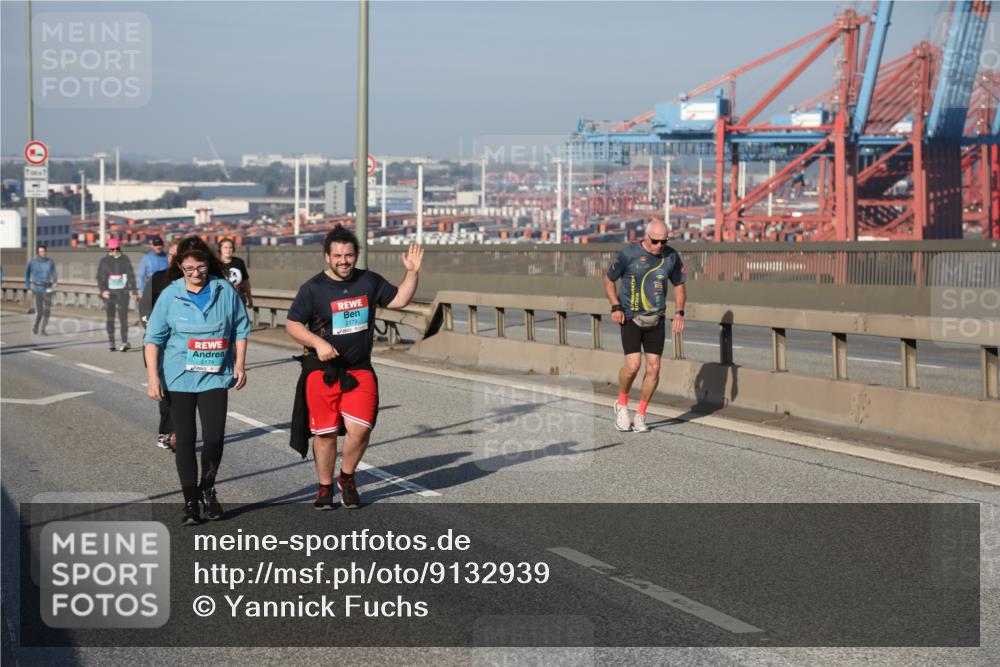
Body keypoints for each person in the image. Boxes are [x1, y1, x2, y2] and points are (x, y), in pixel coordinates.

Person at [285, 225, 422, 509]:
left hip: (359, 369)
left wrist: (412, 272)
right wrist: (317, 343)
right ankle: (324, 488)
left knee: (360, 429)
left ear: (356, 255)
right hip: (322, 372)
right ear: (327, 257)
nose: (343, 260)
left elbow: (399, 300)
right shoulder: (312, 288)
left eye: (348, 255)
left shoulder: (369, 281)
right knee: (326, 433)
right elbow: (293, 324)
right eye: (337, 255)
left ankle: (346, 477)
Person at [144, 236, 250, 525]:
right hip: (179, 377)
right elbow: (153, 338)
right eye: (189, 268)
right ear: (180, 267)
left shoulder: (223, 290)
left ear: (209, 264)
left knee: (214, 437)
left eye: (200, 267)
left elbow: (241, 328)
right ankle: (190, 501)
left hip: (215, 376)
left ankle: (208, 488)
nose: (195, 274)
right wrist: (153, 378)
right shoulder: (170, 294)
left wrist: (240, 364)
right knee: (186, 440)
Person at [603, 220, 686, 433]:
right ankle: (621, 405)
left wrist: (679, 312)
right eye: (656, 241)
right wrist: (615, 306)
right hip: (630, 317)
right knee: (633, 366)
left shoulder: (671, 256)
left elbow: (679, 285)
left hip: (656, 319)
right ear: (646, 237)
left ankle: (640, 415)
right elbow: (609, 278)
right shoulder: (628, 254)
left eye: (664, 241)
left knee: (654, 368)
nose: (660, 245)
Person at [140, 240, 179, 451]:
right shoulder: (157, 278)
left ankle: (179, 432)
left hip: (183, 346)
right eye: (171, 255)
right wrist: (154, 331)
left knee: (181, 391)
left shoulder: (192, 279)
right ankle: (166, 431)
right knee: (165, 391)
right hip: (161, 344)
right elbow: (145, 307)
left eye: (178, 255)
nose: (173, 258)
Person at [97, 238, 138, 352]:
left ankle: (124, 342)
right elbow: (99, 277)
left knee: (123, 318)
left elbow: (131, 275)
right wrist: (103, 290)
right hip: (109, 293)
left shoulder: (125, 259)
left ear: (119, 248)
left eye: (116, 249)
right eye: (112, 249)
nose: (114, 251)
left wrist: (134, 291)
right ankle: (111, 342)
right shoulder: (104, 261)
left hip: (122, 293)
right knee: (110, 317)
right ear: (109, 249)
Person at [25, 244, 58, 335]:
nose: (42, 253)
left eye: (43, 251)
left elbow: (54, 272)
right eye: (40, 252)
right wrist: (28, 288)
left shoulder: (50, 261)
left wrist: (55, 281)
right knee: (40, 312)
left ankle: (43, 330)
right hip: (37, 289)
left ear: (46, 251)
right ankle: (35, 326)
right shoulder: (32, 262)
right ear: (38, 253)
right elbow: (27, 275)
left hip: (48, 288)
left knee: (47, 310)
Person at [218, 238, 253, 309]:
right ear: (220, 249)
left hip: (239, 300)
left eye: (230, 247)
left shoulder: (239, 262)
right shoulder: (215, 264)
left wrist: (249, 298)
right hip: (221, 302)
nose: (228, 250)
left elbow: (246, 281)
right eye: (225, 248)